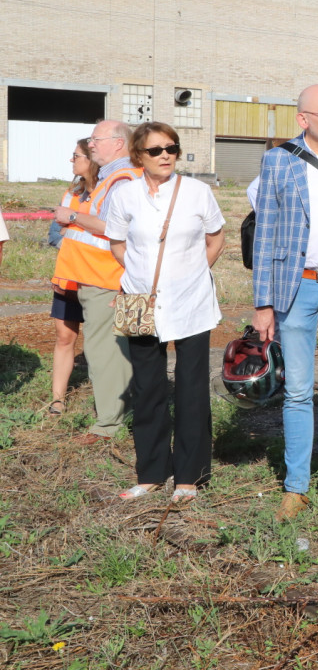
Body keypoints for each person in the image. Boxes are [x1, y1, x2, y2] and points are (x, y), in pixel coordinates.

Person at [251, 85, 318, 525]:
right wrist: (263, 303)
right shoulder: (278, 160)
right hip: (294, 287)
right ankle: (296, 488)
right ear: (304, 119)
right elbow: (265, 235)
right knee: (298, 392)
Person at [105, 122, 225, 502]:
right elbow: (117, 243)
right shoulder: (124, 195)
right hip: (141, 301)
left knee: (191, 387)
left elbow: (216, 237)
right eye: (156, 150)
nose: (166, 156)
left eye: (171, 148)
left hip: (192, 301)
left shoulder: (197, 191)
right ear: (138, 156)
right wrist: (142, 279)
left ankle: (189, 477)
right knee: (148, 386)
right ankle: (152, 472)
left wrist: (193, 274)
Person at [51, 119, 141, 445]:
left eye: (96, 139)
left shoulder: (122, 179)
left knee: (105, 352)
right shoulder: (116, 178)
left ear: (118, 143)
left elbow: (112, 227)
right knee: (122, 351)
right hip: (108, 275)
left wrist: (71, 217)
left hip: (106, 278)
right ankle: (125, 417)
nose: (91, 144)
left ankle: (107, 426)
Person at [47, 138, 98, 416]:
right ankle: (57, 400)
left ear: (91, 159)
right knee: (64, 338)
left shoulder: (107, 193)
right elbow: (55, 233)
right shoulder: (70, 194)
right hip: (67, 277)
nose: (72, 160)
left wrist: (75, 227)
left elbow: (110, 231)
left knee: (100, 341)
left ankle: (106, 403)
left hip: (98, 278)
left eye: (76, 155)